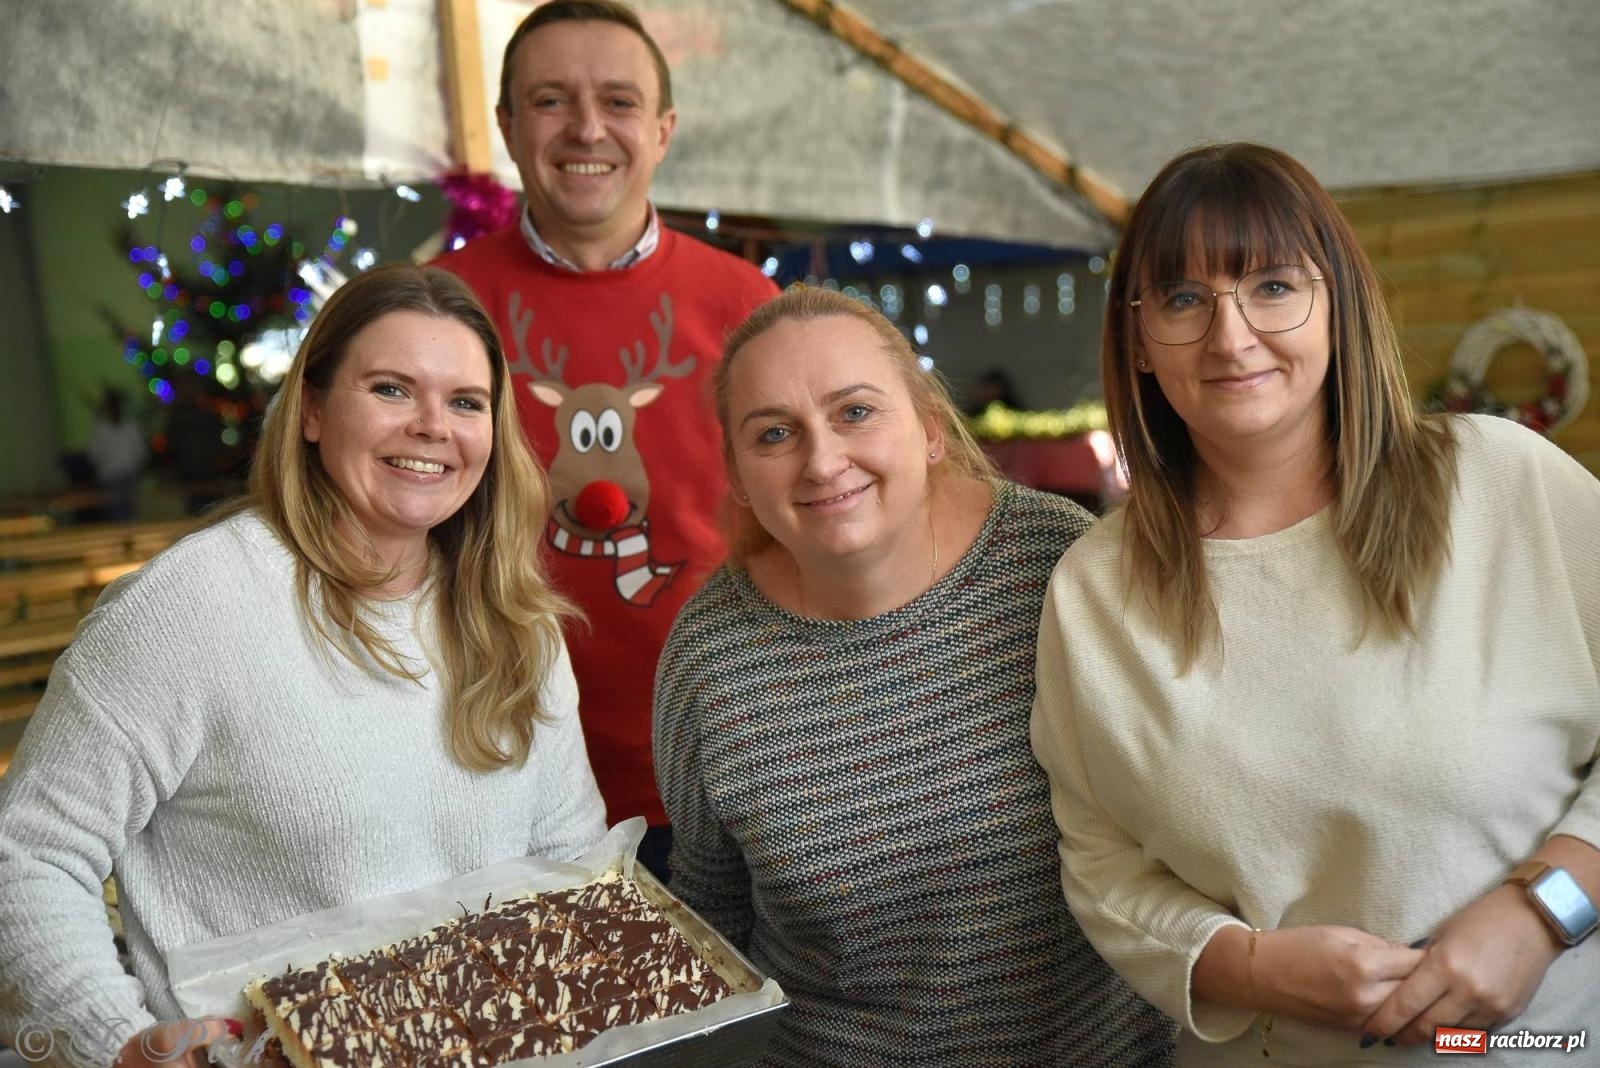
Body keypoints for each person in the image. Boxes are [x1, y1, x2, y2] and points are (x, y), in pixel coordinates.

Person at [1030, 142, 1600, 1065]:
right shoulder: (1096, 590)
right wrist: (1246, 968)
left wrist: (1545, 909)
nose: (1230, 335)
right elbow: (1101, 861)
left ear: (1337, 299)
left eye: (1271, 286)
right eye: (1183, 299)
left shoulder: (1501, 482)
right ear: (1136, 338)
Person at [0, 265, 606, 1068]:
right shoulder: (191, 606)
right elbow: (30, 852)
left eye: (465, 402)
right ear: (313, 411)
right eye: (392, 389)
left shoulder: (516, 622)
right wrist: (116, 1042)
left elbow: (575, 867)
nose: (433, 426)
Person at [654, 287, 1175, 1066]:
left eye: (855, 412)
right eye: (774, 434)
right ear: (735, 473)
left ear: (930, 428)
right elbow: (709, 928)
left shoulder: (1058, 567)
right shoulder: (708, 660)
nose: (823, 460)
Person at [436, 0, 777, 880]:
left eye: (619, 102)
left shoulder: (751, 311)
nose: (588, 127)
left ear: (662, 130)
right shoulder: (431, 311)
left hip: (720, 775)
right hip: (489, 777)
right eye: (551, 100)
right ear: (508, 127)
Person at [86, 388, 149, 521]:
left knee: (131, 513)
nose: (114, 408)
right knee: (114, 515)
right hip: (109, 479)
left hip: (130, 477)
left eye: (116, 404)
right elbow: (94, 455)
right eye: (111, 404)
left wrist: (135, 469)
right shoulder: (100, 430)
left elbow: (141, 452)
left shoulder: (132, 427)